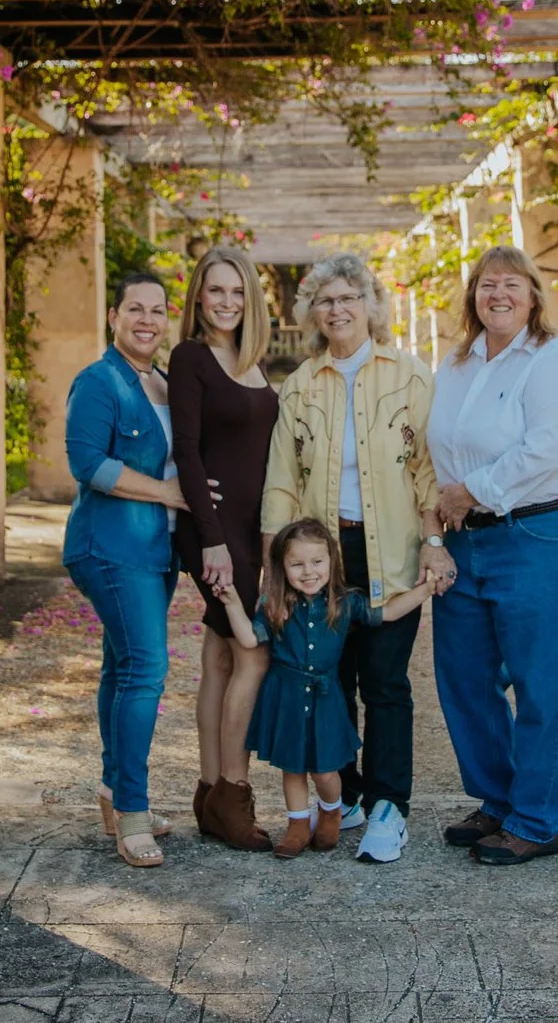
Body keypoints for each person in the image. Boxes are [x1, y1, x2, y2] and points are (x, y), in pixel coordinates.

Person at [260, 252, 456, 864]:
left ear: (371, 305)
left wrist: (434, 541)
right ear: (312, 313)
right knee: (329, 679)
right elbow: (282, 479)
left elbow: (427, 468)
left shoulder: (410, 376)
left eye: (349, 297)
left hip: (392, 547)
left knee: (386, 682)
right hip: (322, 560)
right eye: (325, 300)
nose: (337, 309)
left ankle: (388, 806)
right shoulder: (300, 385)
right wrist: (273, 569)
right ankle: (342, 796)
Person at [426, 246, 558, 866]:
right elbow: (437, 447)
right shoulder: (456, 364)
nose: (498, 294)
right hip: (466, 540)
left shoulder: (552, 361)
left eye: (511, 284)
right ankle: (498, 801)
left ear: (532, 296)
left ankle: (537, 820)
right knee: (465, 678)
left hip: (541, 536)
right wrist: (440, 519)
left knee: (542, 682)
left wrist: (471, 491)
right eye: (486, 284)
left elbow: (548, 448)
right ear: (472, 295)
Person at [61, 271, 191, 868]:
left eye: (157, 310)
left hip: (155, 551)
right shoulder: (98, 381)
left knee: (122, 666)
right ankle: (133, 813)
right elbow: (88, 464)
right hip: (110, 547)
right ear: (114, 316)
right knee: (146, 669)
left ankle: (115, 792)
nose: (147, 320)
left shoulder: (164, 383)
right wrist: (167, 494)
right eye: (134, 309)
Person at [217, 519, 439, 858]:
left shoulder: (344, 602)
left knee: (324, 770)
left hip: (325, 699)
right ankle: (296, 827)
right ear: (282, 567)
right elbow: (249, 639)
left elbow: (388, 613)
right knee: (292, 767)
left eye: (317, 562)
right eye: (297, 564)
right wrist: (232, 602)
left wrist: (424, 591)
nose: (309, 572)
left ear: (331, 562)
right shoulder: (275, 605)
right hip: (287, 697)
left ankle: (332, 811)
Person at [168, 246, 279, 851]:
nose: (227, 302)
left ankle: (209, 793)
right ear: (199, 296)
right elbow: (187, 449)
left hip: (252, 529)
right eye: (216, 290)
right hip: (214, 532)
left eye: (237, 292)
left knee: (219, 659)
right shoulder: (191, 357)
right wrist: (210, 539)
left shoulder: (253, 361)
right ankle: (234, 794)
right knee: (252, 655)